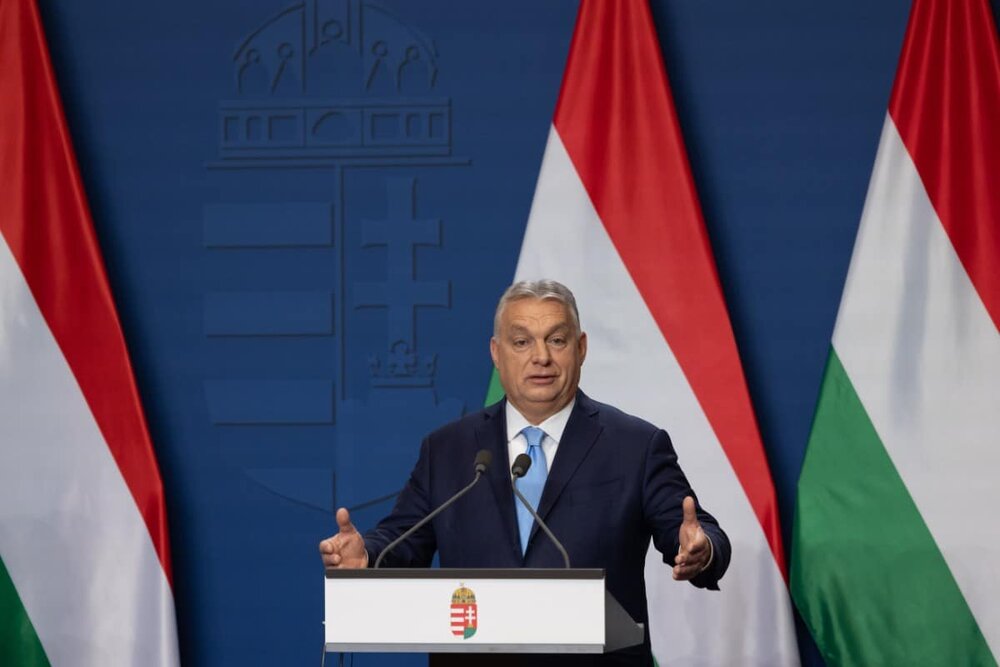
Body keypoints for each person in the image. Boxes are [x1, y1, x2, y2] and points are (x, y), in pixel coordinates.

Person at [319, 280, 730, 666]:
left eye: (556, 340)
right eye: (521, 342)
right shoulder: (447, 449)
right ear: (496, 353)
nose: (541, 357)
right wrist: (366, 555)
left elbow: (696, 531)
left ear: (581, 348)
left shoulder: (635, 445)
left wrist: (703, 549)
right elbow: (403, 539)